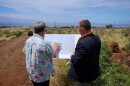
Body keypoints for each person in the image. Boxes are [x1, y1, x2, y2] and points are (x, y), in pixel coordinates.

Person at [23, 21, 58, 86]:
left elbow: (25, 52)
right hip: (42, 76)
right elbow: (53, 55)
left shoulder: (28, 41)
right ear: (44, 30)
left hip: (31, 72)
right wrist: (55, 48)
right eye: (45, 30)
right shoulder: (44, 44)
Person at [68, 19, 101, 86]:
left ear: (82, 29)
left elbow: (77, 61)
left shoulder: (82, 43)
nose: (78, 29)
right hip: (93, 71)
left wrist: (72, 57)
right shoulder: (96, 38)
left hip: (83, 75)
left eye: (78, 27)